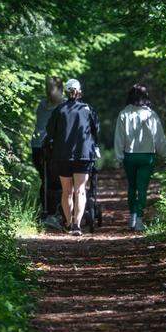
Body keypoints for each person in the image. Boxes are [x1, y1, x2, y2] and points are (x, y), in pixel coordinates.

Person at [44, 78, 100, 236]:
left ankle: (68, 223)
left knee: (67, 191)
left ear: (66, 92)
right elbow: (97, 130)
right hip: (83, 154)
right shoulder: (88, 109)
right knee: (81, 190)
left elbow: (50, 131)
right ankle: (77, 225)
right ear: (79, 91)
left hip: (63, 155)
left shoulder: (59, 109)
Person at [114, 83, 166, 231]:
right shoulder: (151, 114)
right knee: (142, 188)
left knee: (132, 187)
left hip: (129, 156)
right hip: (147, 156)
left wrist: (118, 157)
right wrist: (164, 154)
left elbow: (119, 138)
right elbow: (159, 137)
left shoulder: (124, 113)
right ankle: (139, 219)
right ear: (146, 97)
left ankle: (131, 217)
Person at [30, 76, 65, 230]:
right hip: (53, 146)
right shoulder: (63, 105)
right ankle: (54, 213)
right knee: (56, 181)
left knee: (45, 179)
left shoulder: (42, 104)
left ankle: (47, 212)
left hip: (38, 145)